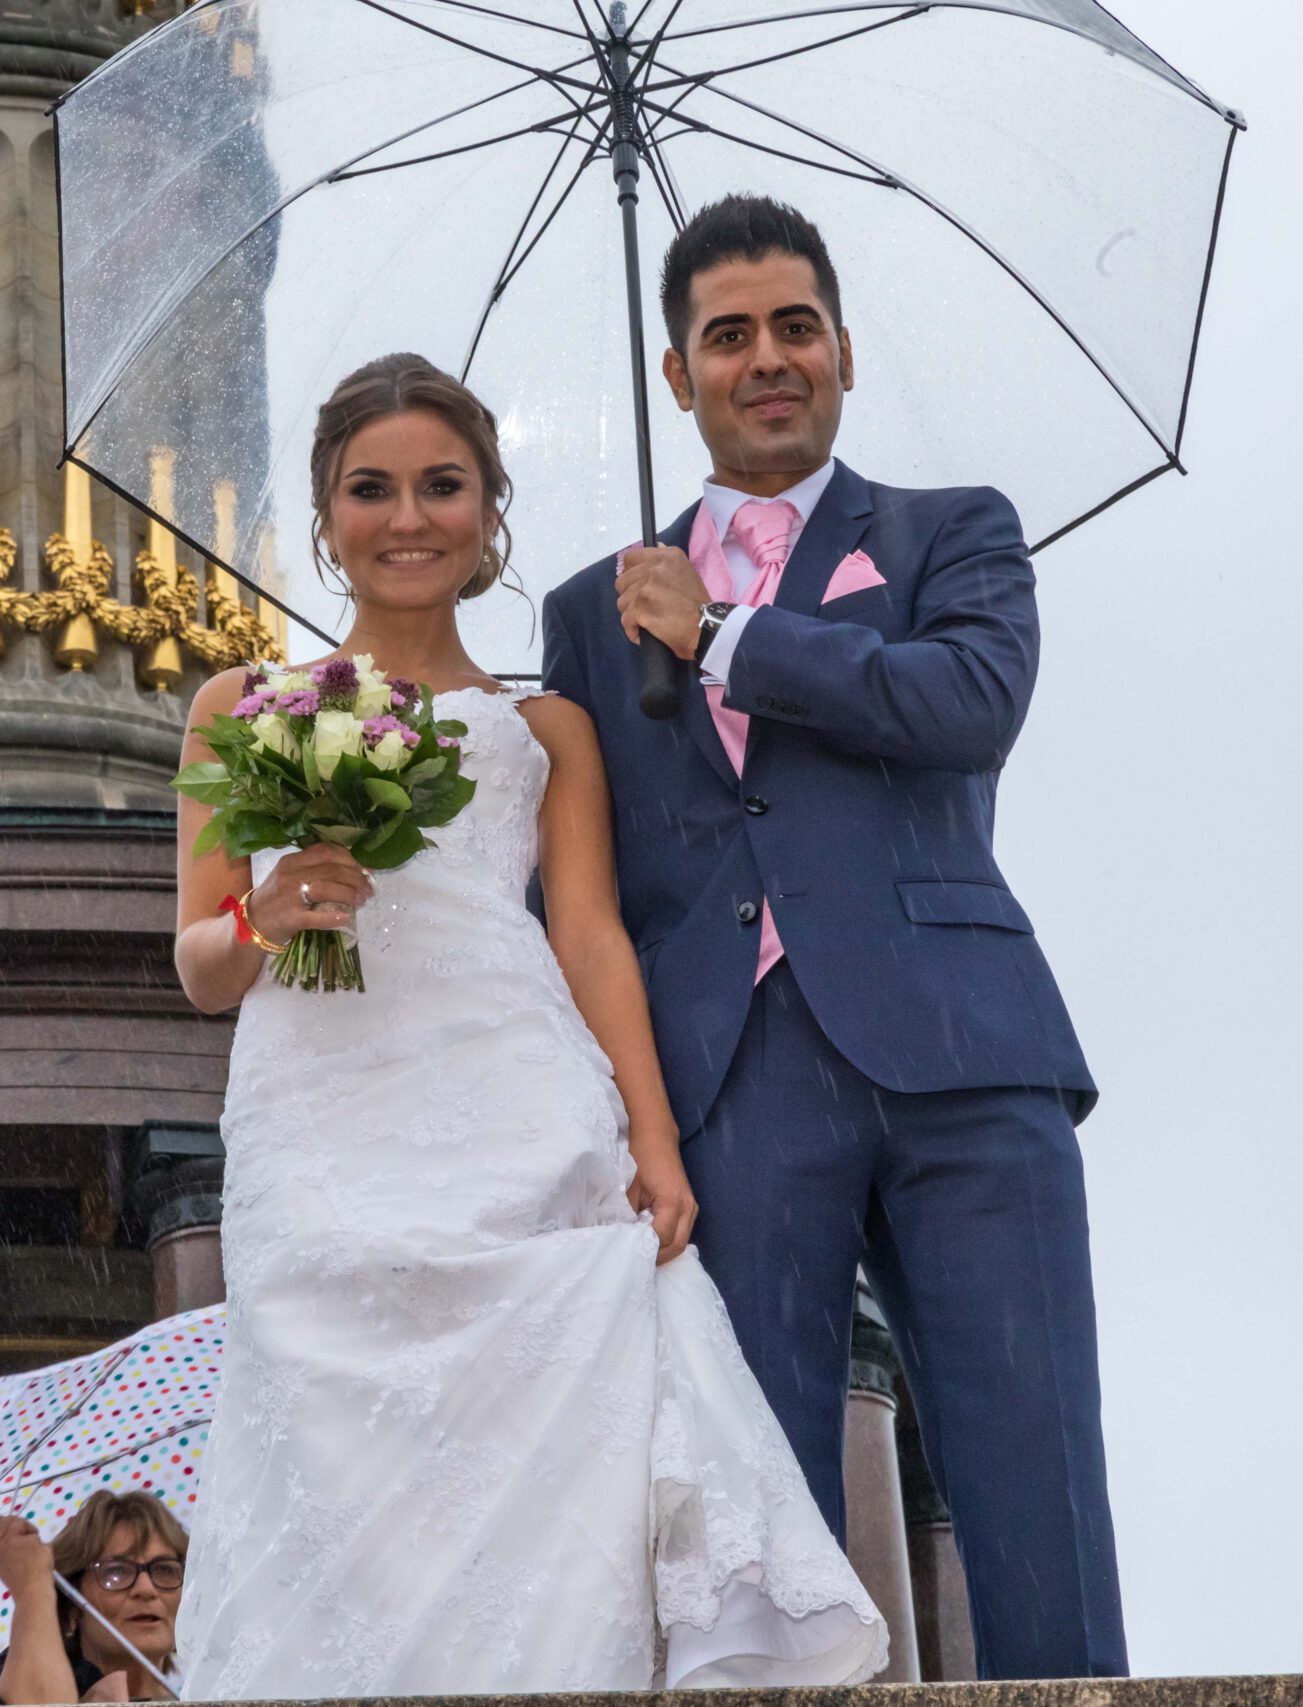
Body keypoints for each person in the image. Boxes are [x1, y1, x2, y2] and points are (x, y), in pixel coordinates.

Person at [167, 353, 885, 1697]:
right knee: (331, 1446)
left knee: (551, 1442)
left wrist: (655, 1137)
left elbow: (590, 933)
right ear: (326, 517)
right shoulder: (241, 707)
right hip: (319, 1122)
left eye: (443, 486)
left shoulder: (543, 724)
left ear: (490, 513)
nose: (408, 517)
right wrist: (270, 909)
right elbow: (201, 964)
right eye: (370, 489)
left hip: (516, 1095)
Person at [540, 194, 1124, 1681]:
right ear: (679, 375)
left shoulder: (955, 534)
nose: (766, 358)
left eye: (795, 326)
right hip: (732, 1086)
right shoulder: (586, 614)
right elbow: (581, 886)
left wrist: (725, 634)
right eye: (727, 335)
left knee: (1028, 1466)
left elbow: (964, 704)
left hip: (961, 1056)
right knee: (763, 1509)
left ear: (844, 350)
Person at [0, 1490, 188, 1703]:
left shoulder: (212, 1689)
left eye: (164, 1570)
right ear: (72, 1608)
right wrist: (32, 1588)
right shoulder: (16, 1675)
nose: (146, 1589)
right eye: (115, 1571)